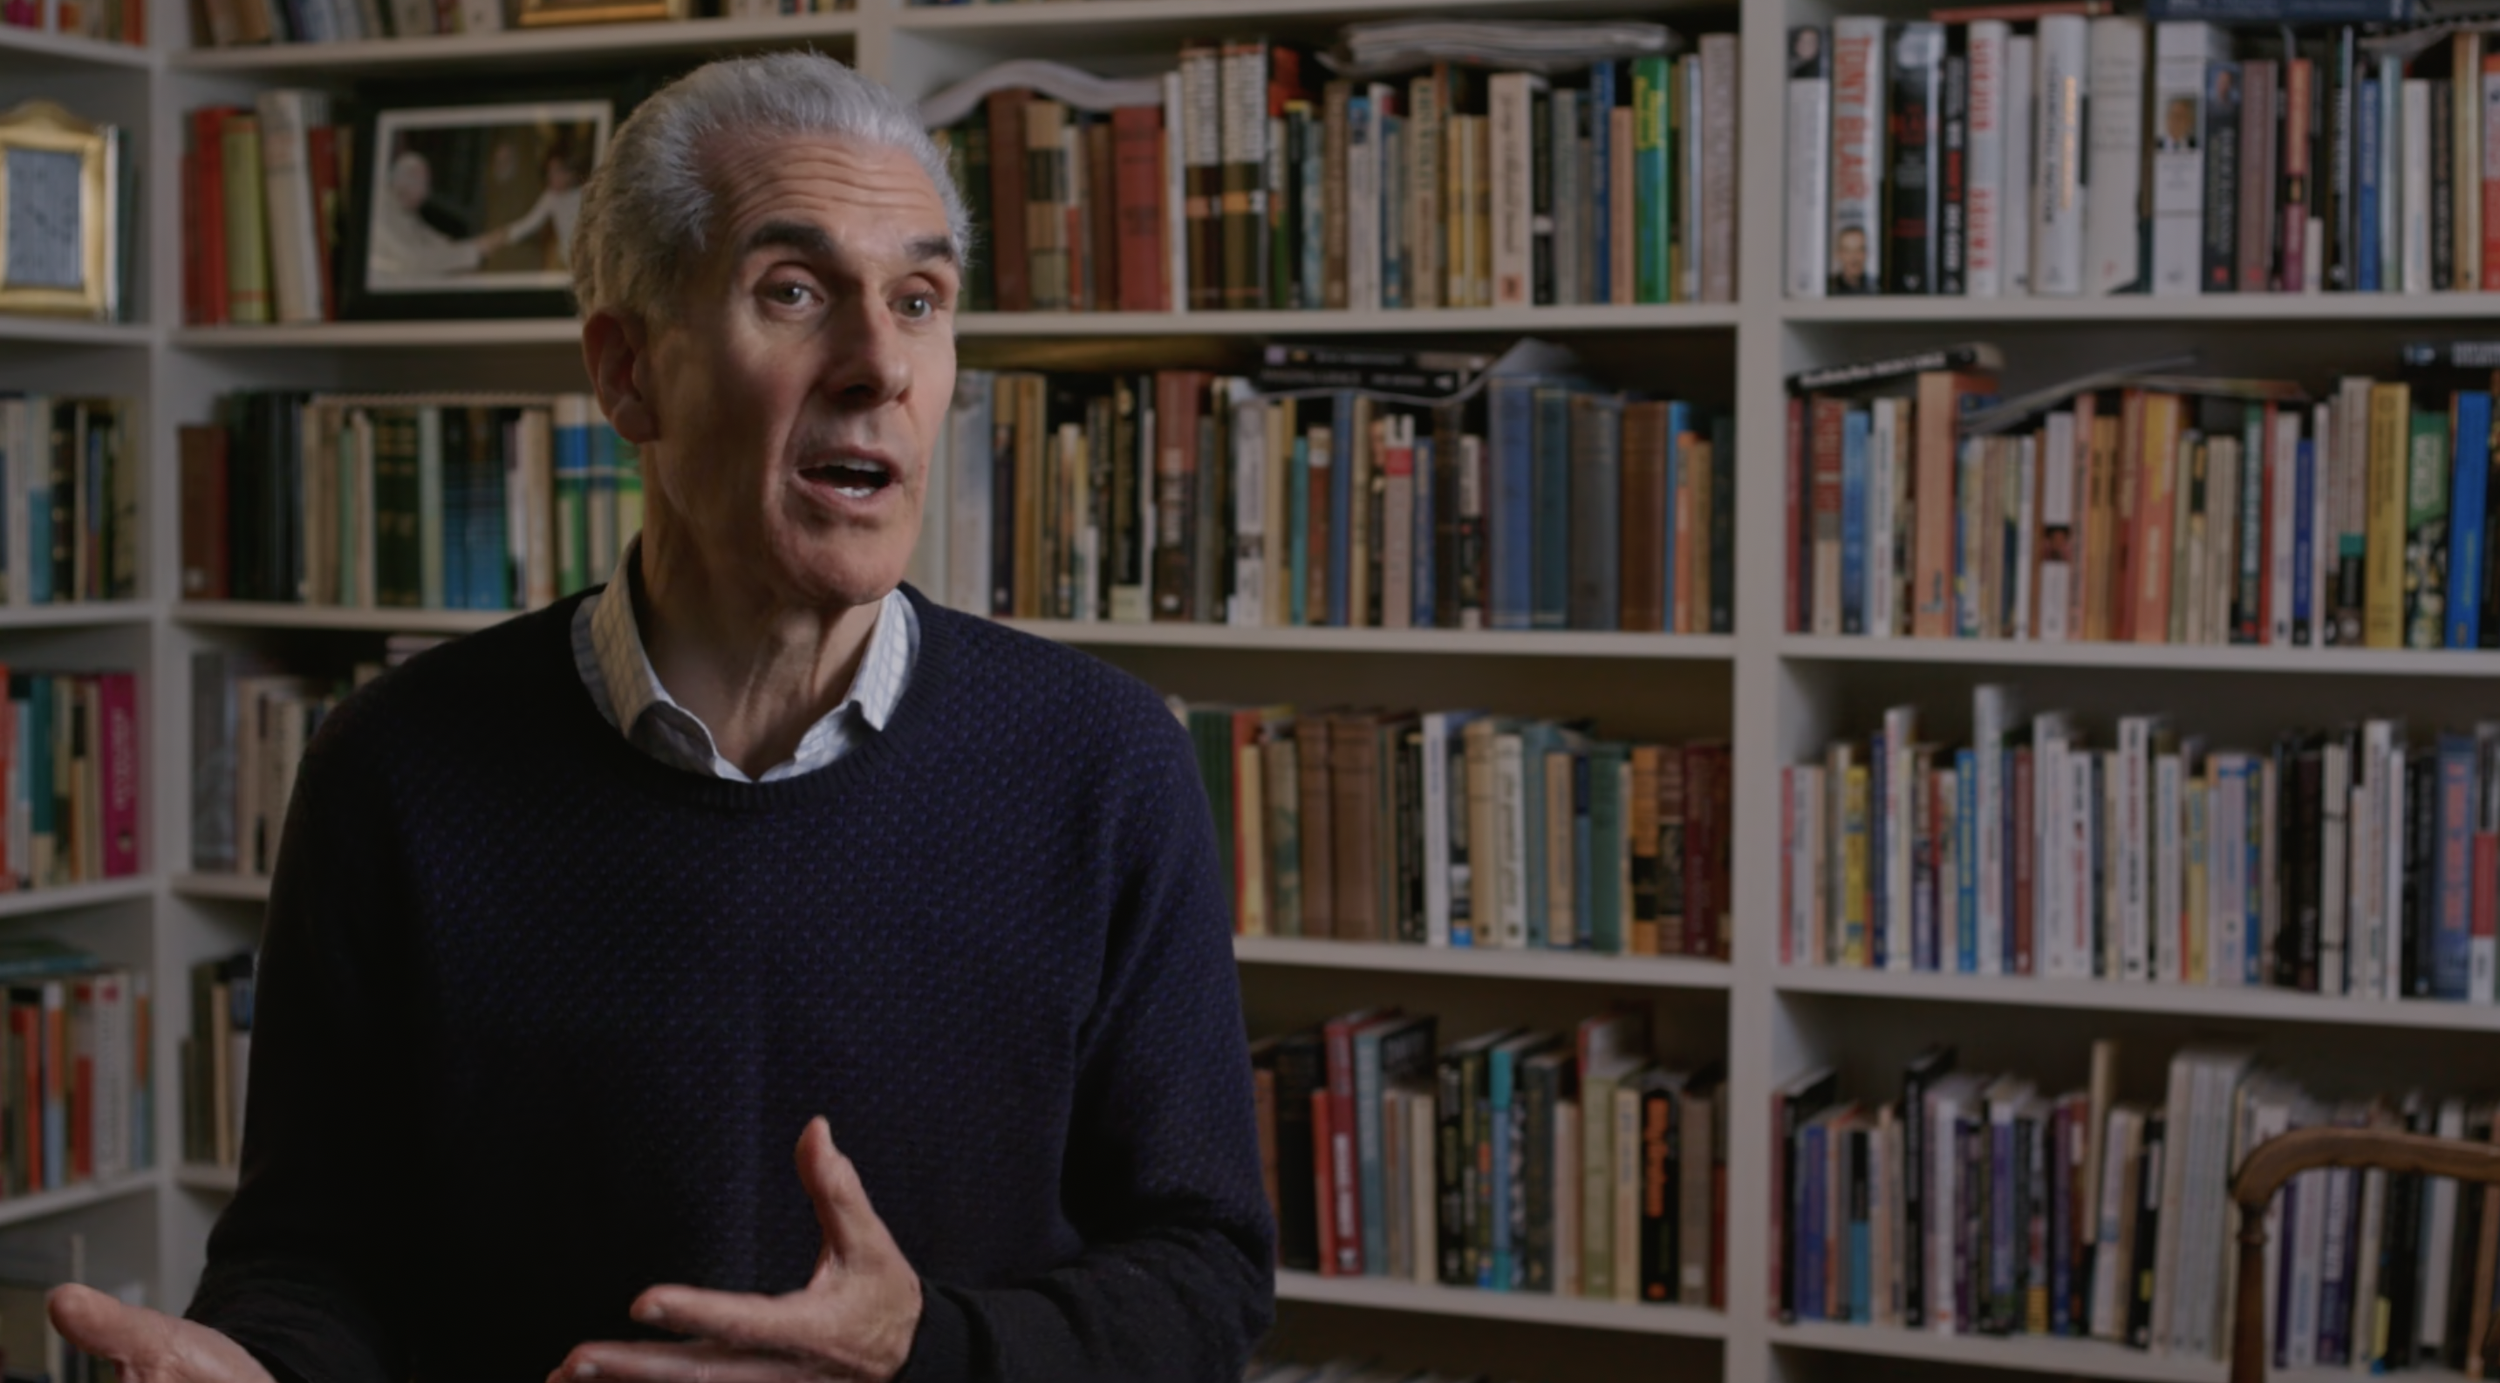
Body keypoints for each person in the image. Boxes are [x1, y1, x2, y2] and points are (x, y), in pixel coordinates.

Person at [51, 50, 1275, 1383]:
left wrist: (923, 1349)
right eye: (796, 291)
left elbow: (1204, 1273)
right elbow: (312, 1256)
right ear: (627, 372)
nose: (879, 363)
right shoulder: (395, 769)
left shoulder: (1105, 764)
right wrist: (261, 1367)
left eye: (920, 299)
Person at [369, 149, 508, 284]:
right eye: (422, 185)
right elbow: (414, 260)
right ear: (404, 184)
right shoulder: (380, 212)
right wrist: (472, 250)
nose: (424, 195)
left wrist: (475, 246)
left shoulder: (402, 206)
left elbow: (430, 239)